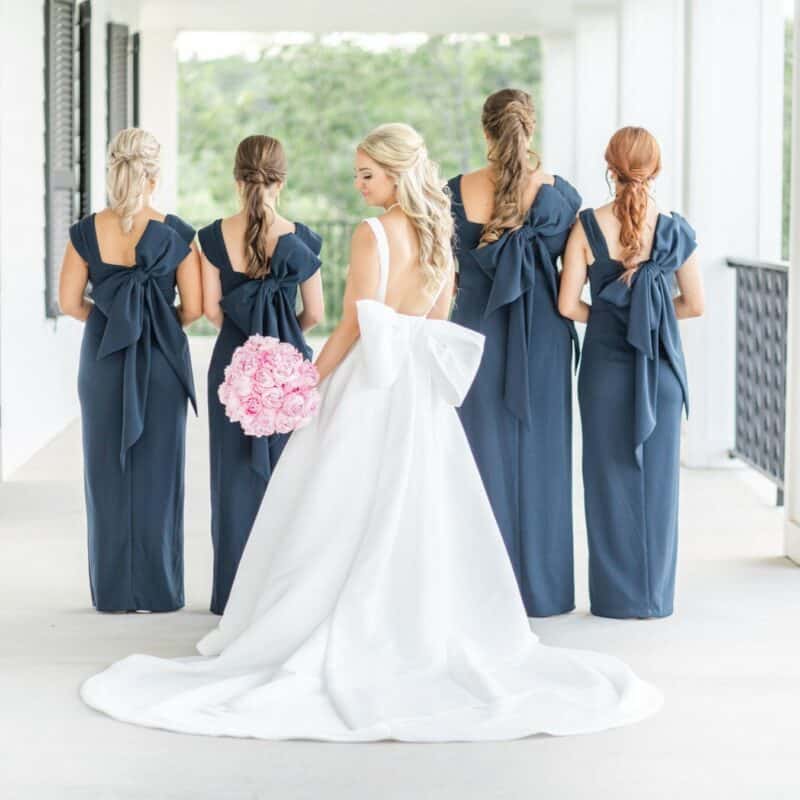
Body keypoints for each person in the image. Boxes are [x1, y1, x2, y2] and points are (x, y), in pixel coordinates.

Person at [80, 123, 661, 741]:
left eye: (368, 175)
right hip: (419, 386)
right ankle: (411, 624)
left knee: (337, 501)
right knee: (420, 505)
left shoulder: (372, 234)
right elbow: (436, 315)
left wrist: (308, 379)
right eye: (358, 174)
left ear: (395, 174)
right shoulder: (438, 231)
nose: (358, 185)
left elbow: (354, 325)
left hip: (370, 382)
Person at [559, 126, 704, 619]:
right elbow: (695, 305)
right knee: (659, 487)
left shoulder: (585, 228)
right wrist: (654, 316)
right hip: (660, 371)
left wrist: (607, 317)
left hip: (602, 373)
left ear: (609, 166)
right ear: (656, 169)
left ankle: (615, 600)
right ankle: (654, 599)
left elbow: (566, 304)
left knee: (605, 482)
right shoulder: (675, 230)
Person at [448, 89, 581, 617]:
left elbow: (444, 274)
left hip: (473, 333)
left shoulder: (451, 193)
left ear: (486, 133)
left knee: (476, 458)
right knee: (543, 457)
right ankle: (543, 592)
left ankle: (480, 596)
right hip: (542, 336)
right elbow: (577, 276)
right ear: (532, 129)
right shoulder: (561, 197)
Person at [58, 128, 202, 612]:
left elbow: (67, 302)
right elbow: (196, 307)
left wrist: (113, 321)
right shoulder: (178, 233)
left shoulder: (85, 231)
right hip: (160, 357)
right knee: (161, 471)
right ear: (154, 176)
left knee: (106, 472)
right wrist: (155, 323)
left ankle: (114, 591)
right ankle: (159, 591)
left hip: (103, 358)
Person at [199, 134, 324, 615]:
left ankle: (233, 594)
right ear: (282, 180)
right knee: (289, 479)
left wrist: (246, 336)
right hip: (289, 366)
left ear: (237, 179)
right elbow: (314, 312)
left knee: (231, 479)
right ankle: (282, 595)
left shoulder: (211, 237)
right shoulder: (303, 238)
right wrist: (282, 335)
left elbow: (212, 310)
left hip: (233, 362)